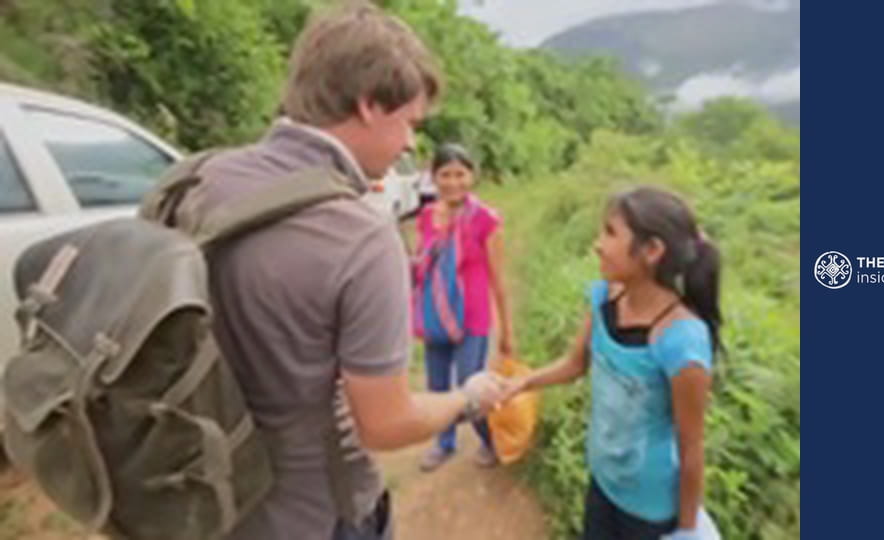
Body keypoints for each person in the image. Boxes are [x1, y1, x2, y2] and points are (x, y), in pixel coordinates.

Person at [181, 5, 509, 539]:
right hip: (313, 513)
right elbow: (385, 424)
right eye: (409, 123)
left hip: (201, 495)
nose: (410, 144)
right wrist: (467, 398)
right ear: (369, 105)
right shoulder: (361, 237)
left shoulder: (201, 179)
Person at [504, 185, 722, 540]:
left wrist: (685, 530)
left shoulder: (681, 341)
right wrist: (523, 383)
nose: (597, 245)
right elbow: (575, 364)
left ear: (651, 251)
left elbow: (691, 448)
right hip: (604, 482)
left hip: (650, 510)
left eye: (610, 233)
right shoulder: (606, 299)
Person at [412, 143, 516, 471]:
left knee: (472, 386)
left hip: (472, 319)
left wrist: (507, 332)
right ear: (433, 177)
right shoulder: (427, 216)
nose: (453, 182)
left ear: (473, 176)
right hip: (436, 315)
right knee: (437, 386)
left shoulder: (486, 220)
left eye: (460, 174)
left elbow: (498, 280)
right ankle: (444, 444)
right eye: (445, 174)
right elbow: (421, 266)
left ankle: (489, 440)